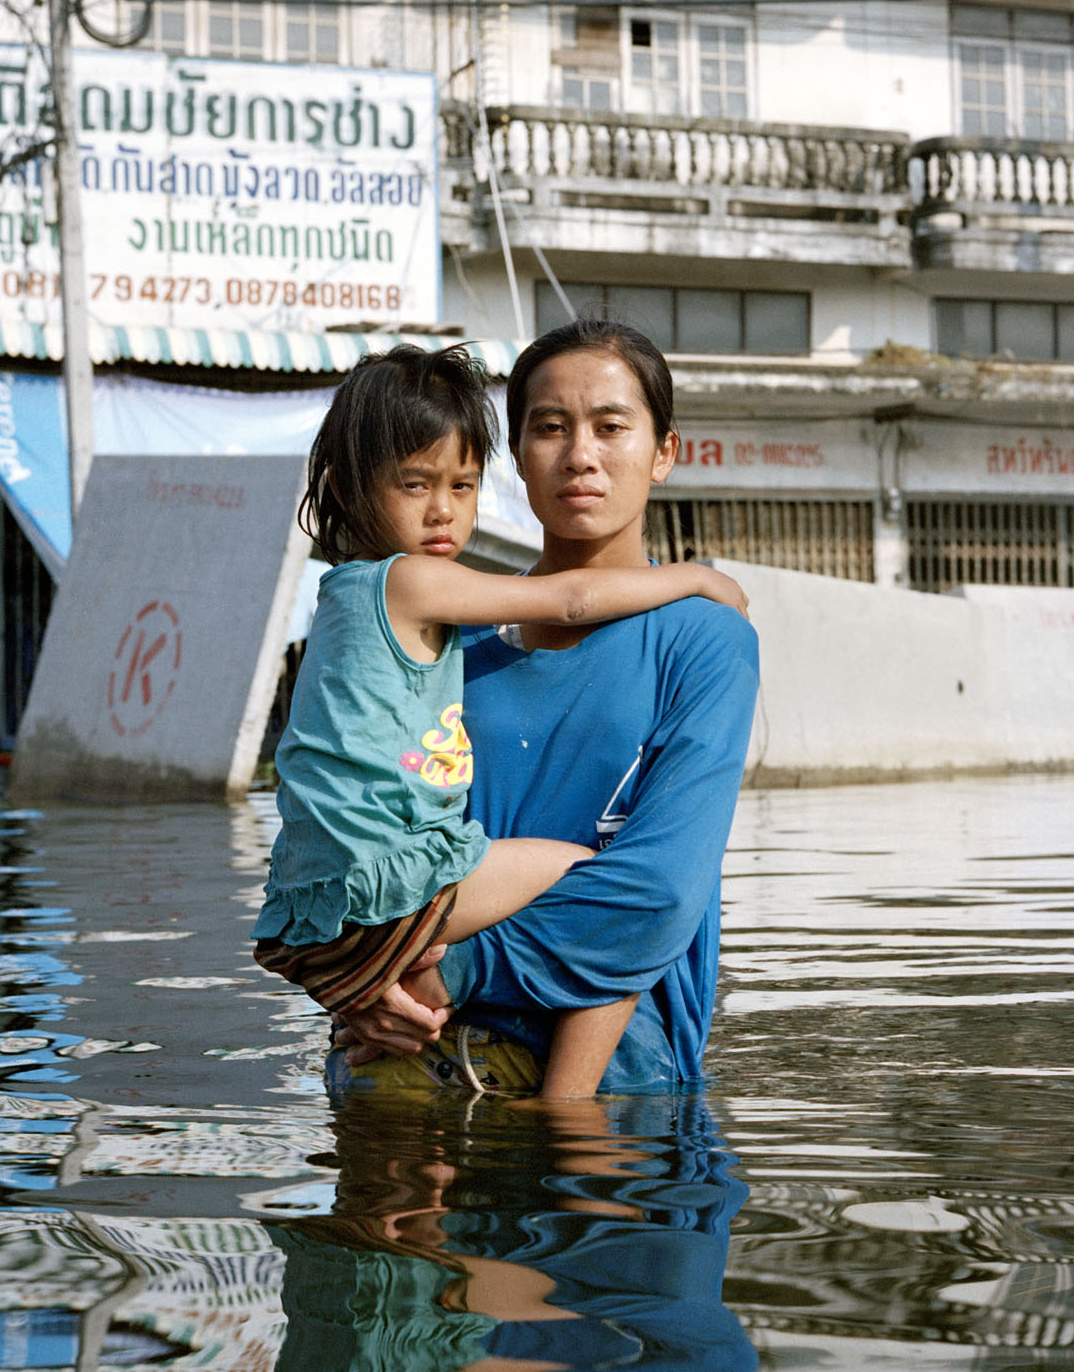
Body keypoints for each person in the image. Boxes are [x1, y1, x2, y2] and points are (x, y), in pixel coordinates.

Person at [251, 344, 748, 1100]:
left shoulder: (703, 641)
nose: (581, 455)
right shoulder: (448, 642)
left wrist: (445, 972)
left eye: (611, 427)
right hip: (402, 1054)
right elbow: (359, 833)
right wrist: (362, 995)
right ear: (515, 455)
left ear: (664, 452)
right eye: (551, 427)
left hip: (611, 1081)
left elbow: (659, 895)